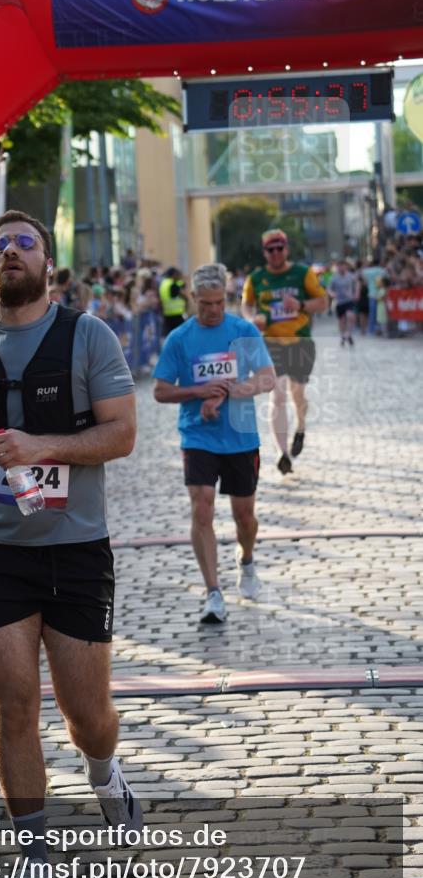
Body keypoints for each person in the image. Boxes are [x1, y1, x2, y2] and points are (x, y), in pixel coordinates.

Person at [0, 210, 142, 878]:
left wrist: (42, 448)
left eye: (25, 243)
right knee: (12, 702)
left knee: (87, 717)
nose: (12, 253)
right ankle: (34, 865)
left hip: (76, 548)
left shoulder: (86, 335)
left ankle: (103, 773)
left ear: (48, 264)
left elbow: (122, 433)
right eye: (0, 247)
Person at [153, 263, 276, 625]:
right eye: (206, 303)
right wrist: (196, 391)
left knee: (244, 516)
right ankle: (213, 593)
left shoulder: (242, 330)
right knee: (202, 508)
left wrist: (230, 392)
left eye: (220, 302)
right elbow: (160, 390)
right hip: (197, 435)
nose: (213, 310)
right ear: (192, 299)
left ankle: (247, 560)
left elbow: (267, 378)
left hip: (240, 436)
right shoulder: (179, 339)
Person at [241, 229, 328, 475]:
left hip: (300, 342)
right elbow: (246, 304)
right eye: (271, 250)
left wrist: (300, 305)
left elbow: (323, 303)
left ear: (286, 249)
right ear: (265, 253)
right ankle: (282, 453)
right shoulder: (256, 278)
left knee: (297, 394)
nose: (276, 253)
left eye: (280, 248)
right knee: (277, 396)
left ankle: (300, 427)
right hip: (270, 344)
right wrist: (251, 318)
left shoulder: (302, 273)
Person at [328, 259, 358, 346]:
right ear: (337, 267)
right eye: (340, 266)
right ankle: (343, 336)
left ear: (346, 267)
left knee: (350, 316)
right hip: (339, 302)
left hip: (349, 300)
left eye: (343, 266)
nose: (342, 268)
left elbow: (357, 283)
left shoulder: (351, 276)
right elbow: (329, 289)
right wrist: (332, 294)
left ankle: (349, 334)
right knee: (342, 321)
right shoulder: (333, 277)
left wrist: (356, 293)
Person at [159, 267, 188, 335]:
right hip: (176, 314)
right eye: (178, 275)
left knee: (170, 335)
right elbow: (184, 296)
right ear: (174, 275)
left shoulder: (164, 283)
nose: (180, 277)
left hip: (167, 313)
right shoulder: (172, 284)